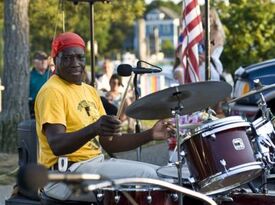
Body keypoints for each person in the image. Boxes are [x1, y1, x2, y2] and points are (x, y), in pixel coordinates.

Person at [34, 32, 174, 202]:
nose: (75, 63)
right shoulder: (52, 91)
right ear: (55, 60)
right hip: (63, 176)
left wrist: (150, 134)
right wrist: (94, 128)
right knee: (149, 177)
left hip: (94, 165)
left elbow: (110, 143)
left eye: (80, 57)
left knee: (162, 174)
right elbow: (57, 145)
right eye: (68, 58)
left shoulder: (89, 91)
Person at [29, 51, 51, 118]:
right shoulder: (29, 75)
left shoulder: (52, 75)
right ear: (34, 62)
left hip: (49, 105)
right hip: (33, 106)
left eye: (45, 59)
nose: (43, 61)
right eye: (40, 59)